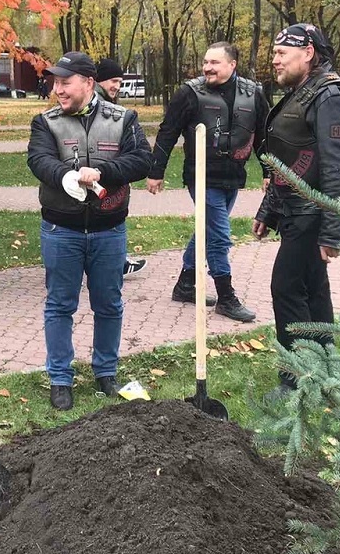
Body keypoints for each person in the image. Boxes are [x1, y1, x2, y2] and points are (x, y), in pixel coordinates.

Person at [27, 51, 153, 410]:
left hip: (109, 231)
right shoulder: (45, 122)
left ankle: (106, 372)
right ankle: (60, 379)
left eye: (65, 82)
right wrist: (66, 175)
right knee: (59, 306)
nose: (58, 90)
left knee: (109, 304)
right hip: (60, 229)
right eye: (55, 82)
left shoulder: (123, 118)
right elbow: (38, 159)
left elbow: (143, 160)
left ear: (87, 82)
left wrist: (104, 173)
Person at [253, 24, 340, 396]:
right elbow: (288, 159)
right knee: (313, 290)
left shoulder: (330, 95)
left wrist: (334, 229)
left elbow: (339, 165)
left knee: (285, 287)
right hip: (295, 209)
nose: (275, 59)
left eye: (283, 52)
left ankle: (296, 378)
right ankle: (325, 369)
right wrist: (268, 210)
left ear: (309, 53)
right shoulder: (303, 93)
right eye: (274, 52)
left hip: (314, 213)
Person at [146, 42, 268, 321]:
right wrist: (156, 171)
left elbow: (262, 135)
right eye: (205, 62)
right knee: (219, 236)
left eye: (214, 63)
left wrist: (269, 170)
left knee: (207, 229)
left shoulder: (253, 94)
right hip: (200, 177)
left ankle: (185, 285)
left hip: (233, 176)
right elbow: (168, 132)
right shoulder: (190, 93)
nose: (207, 68)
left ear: (232, 65)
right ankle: (226, 297)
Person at [96, 57, 147, 277]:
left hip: (109, 174)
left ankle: (119, 260)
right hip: (102, 178)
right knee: (108, 218)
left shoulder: (110, 106)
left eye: (120, 81)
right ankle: (116, 262)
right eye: (113, 80)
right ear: (98, 81)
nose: (117, 85)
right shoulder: (100, 105)